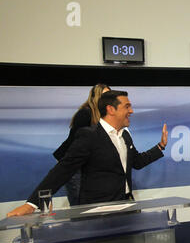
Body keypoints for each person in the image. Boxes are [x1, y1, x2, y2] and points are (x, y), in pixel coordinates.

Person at [7, 90, 168, 217]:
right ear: (110, 109)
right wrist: (32, 204)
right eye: (127, 106)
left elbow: (137, 163)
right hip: (99, 213)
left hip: (126, 208)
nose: (131, 111)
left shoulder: (124, 135)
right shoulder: (89, 135)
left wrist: (160, 146)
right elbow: (63, 170)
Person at [53, 84, 111, 205]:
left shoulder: (103, 115)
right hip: (73, 162)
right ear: (95, 97)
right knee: (79, 201)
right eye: (104, 95)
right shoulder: (85, 113)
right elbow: (76, 143)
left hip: (86, 164)